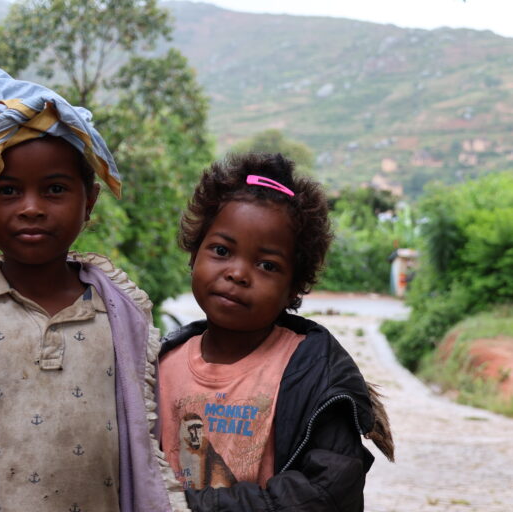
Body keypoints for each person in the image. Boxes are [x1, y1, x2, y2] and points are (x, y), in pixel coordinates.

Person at [0, 61, 187, 512]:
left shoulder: (120, 311)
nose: (31, 208)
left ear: (88, 202)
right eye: (8, 191)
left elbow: (146, 437)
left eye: (54, 189)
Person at [158, 152, 394, 511]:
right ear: (194, 254)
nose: (237, 273)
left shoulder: (315, 372)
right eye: (221, 250)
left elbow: (327, 490)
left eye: (267, 265)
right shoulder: (158, 363)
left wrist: (192, 506)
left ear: (295, 287)